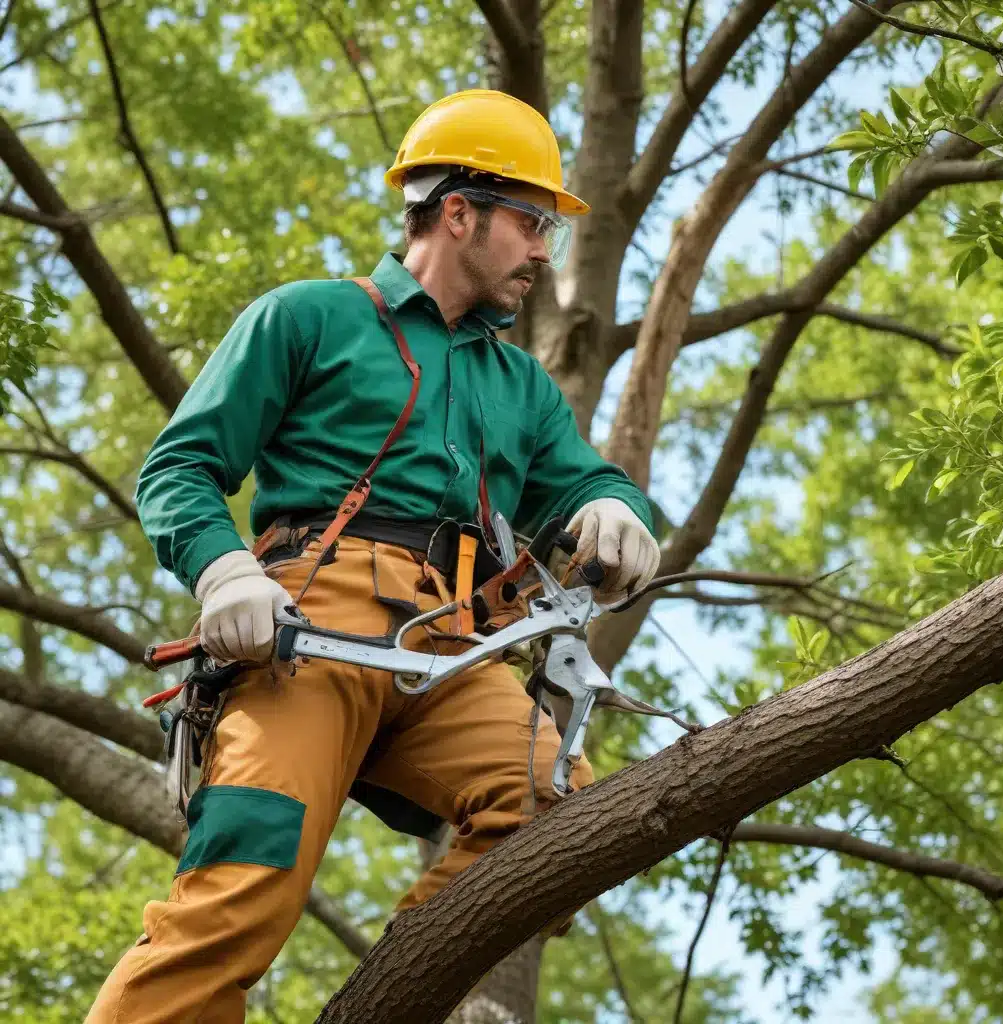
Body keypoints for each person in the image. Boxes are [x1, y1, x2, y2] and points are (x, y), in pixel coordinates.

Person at [86, 88, 660, 1022]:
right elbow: (182, 466)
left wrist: (610, 504)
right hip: (311, 631)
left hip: (455, 649)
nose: (544, 251)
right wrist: (225, 571)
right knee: (246, 882)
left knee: (557, 815)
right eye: (529, 222)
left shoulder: (518, 383)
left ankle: (391, 1001)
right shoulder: (311, 318)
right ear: (457, 210)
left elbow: (590, 481)